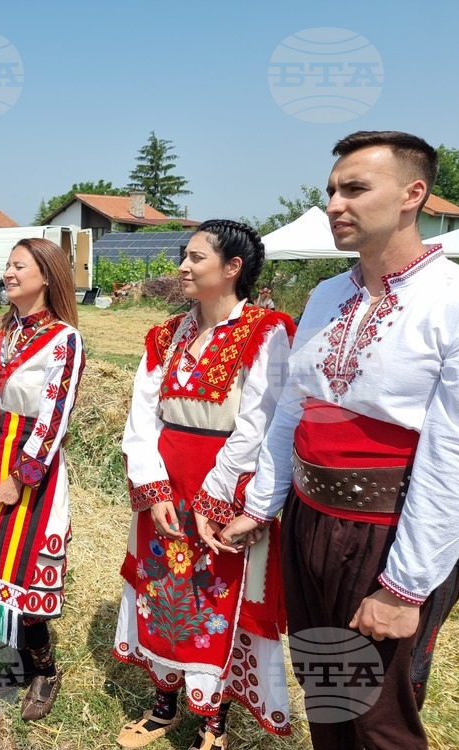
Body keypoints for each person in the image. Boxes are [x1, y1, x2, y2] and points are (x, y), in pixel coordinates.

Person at [222, 130, 459, 750]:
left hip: (388, 528)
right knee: (326, 691)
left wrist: (404, 585)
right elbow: (292, 410)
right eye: (332, 189)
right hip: (309, 521)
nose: (334, 203)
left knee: (380, 718)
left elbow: (454, 452)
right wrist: (262, 504)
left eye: (355, 188)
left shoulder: (454, 300)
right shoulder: (330, 294)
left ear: (414, 194)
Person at [113, 220, 294, 750]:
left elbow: (260, 421)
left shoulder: (265, 330)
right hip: (166, 483)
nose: (183, 267)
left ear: (233, 267)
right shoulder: (165, 335)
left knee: (219, 600)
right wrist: (156, 490)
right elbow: (140, 418)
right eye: (184, 257)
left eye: (196, 258)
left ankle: (214, 719)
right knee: (162, 591)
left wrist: (213, 495)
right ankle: (166, 701)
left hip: (228, 485)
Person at [0, 238, 85, 721]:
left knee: (24, 576)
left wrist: (21, 478)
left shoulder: (64, 339)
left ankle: (44, 670)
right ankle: (17, 661)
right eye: (6, 265)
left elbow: (54, 417)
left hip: (31, 468)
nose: (7, 272)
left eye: (18, 266)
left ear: (46, 276)